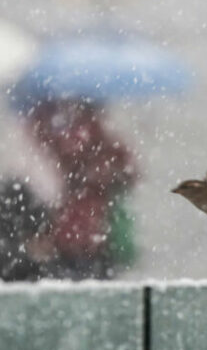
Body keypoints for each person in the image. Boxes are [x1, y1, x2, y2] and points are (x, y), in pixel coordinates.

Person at [10, 99, 139, 280]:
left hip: (77, 232)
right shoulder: (98, 140)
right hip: (87, 233)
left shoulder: (54, 135)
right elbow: (129, 174)